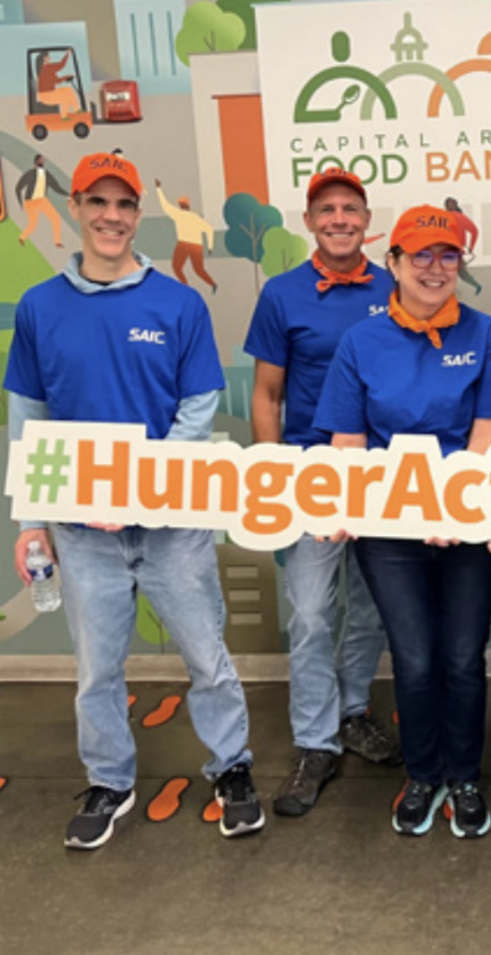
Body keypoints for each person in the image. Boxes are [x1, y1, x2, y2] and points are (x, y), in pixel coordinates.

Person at [4, 152, 264, 848]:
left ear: (136, 214)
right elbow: (29, 415)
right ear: (78, 208)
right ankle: (110, 779)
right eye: (98, 202)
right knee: (96, 668)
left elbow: (199, 403)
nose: (112, 217)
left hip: (172, 523)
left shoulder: (177, 302)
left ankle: (231, 766)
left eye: (124, 205)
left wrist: (142, 491)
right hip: (83, 531)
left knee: (206, 654)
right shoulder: (40, 306)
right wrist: (32, 520)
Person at [313, 204, 491, 838]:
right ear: (392, 264)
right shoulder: (360, 341)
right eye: (420, 255)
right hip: (390, 532)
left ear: (461, 264)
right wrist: (341, 509)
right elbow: (348, 442)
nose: (434, 267)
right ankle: (424, 773)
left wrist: (452, 509)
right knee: (415, 657)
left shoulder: (489, 336)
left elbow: (487, 439)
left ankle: (465, 776)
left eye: (448, 254)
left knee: (461, 656)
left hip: (468, 526)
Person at [244, 167, 399, 818]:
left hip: (382, 473)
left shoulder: (396, 286)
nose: (339, 219)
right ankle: (315, 740)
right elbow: (267, 393)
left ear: (367, 221)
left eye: (351, 209)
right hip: (310, 472)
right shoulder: (282, 294)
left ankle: (352, 710)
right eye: (326, 209)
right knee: (310, 611)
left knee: (367, 609)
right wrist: (273, 471)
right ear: (308, 221)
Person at [155, 178, 218, 294]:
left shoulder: (179, 215)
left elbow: (165, 205)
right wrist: (210, 246)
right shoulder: (195, 218)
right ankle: (211, 284)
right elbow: (209, 229)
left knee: (177, 267)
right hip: (196, 246)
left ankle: (186, 287)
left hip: (184, 244)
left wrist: (159, 189)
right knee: (197, 269)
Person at [16, 154, 67, 248]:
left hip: (42, 200)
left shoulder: (46, 174)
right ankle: (22, 237)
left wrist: (68, 194)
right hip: (30, 201)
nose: (42, 162)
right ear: (36, 162)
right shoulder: (30, 174)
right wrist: (20, 203)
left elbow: (56, 187)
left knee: (55, 218)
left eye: (43, 160)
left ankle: (57, 242)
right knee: (33, 224)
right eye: (41, 160)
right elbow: (18, 188)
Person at [444, 197, 482, 295]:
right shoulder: (461, 217)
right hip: (456, 250)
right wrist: (471, 247)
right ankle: (476, 285)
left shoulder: (444, 217)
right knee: (461, 273)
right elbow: (474, 231)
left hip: (448, 250)